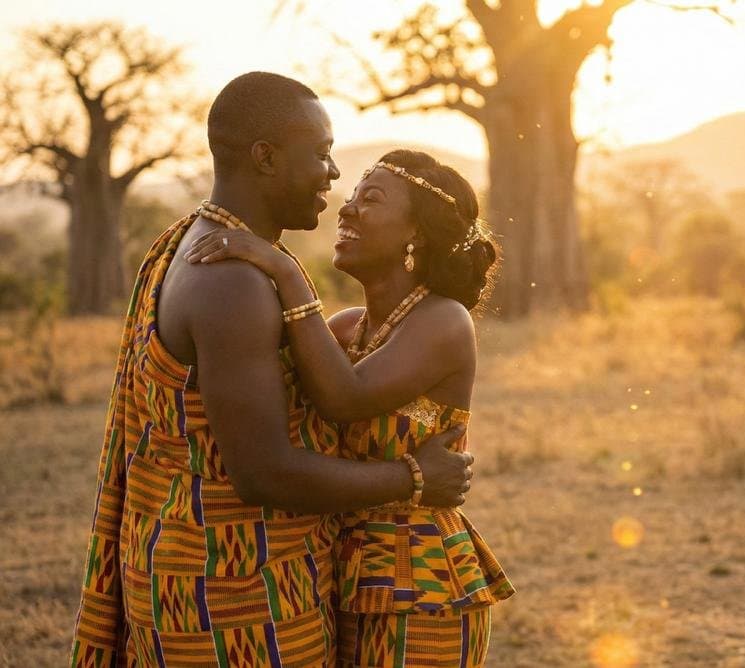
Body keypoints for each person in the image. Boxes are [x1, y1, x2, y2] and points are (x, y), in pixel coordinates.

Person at [69, 72, 474, 667]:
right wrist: (414, 478)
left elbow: (336, 393)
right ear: (265, 157)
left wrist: (285, 272)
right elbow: (264, 472)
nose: (335, 178)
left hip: (257, 577)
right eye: (322, 154)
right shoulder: (234, 279)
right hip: (234, 597)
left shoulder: (183, 244)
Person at [183, 148, 515, 667]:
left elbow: (347, 398)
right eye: (352, 196)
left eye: (371, 199)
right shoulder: (344, 328)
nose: (347, 209)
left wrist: (285, 270)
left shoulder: (444, 322)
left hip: (420, 584)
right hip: (341, 574)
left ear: (417, 235)